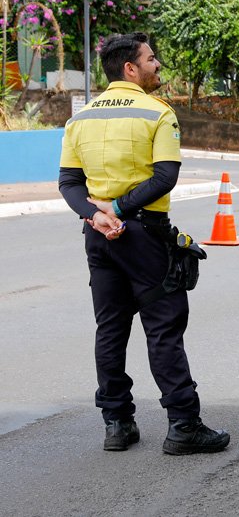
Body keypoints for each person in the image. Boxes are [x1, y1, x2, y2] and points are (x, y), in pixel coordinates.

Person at [58, 32, 230, 455]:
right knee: (164, 329)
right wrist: (116, 208)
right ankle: (184, 425)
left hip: (99, 237)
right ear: (130, 68)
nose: (158, 66)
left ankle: (117, 424)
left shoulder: (81, 118)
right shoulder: (157, 112)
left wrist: (97, 214)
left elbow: (69, 183)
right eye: (152, 59)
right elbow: (164, 177)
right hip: (144, 236)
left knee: (110, 330)